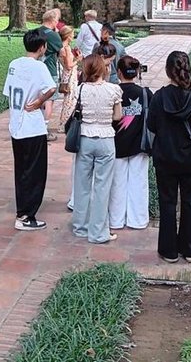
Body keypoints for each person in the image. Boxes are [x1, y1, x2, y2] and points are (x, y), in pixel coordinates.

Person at [148, 50, 191, 263]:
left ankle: (169, 250)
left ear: (168, 71)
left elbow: (151, 125)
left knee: (167, 203)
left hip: (165, 157)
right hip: (190, 158)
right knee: (190, 201)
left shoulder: (159, 97)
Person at [3, 29, 59, 231]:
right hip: (32, 127)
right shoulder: (40, 66)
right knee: (35, 173)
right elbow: (52, 88)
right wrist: (39, 102)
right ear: (42, 47)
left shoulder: (14, 64)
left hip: (16, 126)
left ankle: (23, 211)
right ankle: (26, 216)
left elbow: (7, 91)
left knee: (21, 171)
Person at [71, 53, 123, 244]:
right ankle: (98, 232)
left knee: (82, 184)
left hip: (84, 138)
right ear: (104, 69)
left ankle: (80, 226)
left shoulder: (81, 89)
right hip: (106, 138)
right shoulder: (113, 90)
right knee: (102, 187)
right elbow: (117, 117)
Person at [109, 55, 150, 231]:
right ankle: (138, 220)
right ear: (137, 72)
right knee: (139, 182)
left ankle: (115, 221)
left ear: (118, 72)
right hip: (139, 146)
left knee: (116, 184)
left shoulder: (112, 92)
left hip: (116, 144)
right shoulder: (146, 94)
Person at [37, 10, 65, 140]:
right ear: (53, 20)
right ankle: (44, 129)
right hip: (50, 70)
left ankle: (37, 126)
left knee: (38, 98)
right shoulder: (53, 35)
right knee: (49, 100)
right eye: (57, 20)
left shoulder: (35, 32)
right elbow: (62, 53)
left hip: (36, 69)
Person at [57, 25, 81, 130]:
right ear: (68, 36)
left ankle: (65, 122)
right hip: (69, 75)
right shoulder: (65, 48)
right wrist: (78, 59)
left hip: (67, 75)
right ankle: (64, 123)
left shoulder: (62, 47)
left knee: (69, 99)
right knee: (70, 99)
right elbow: (69, 65)